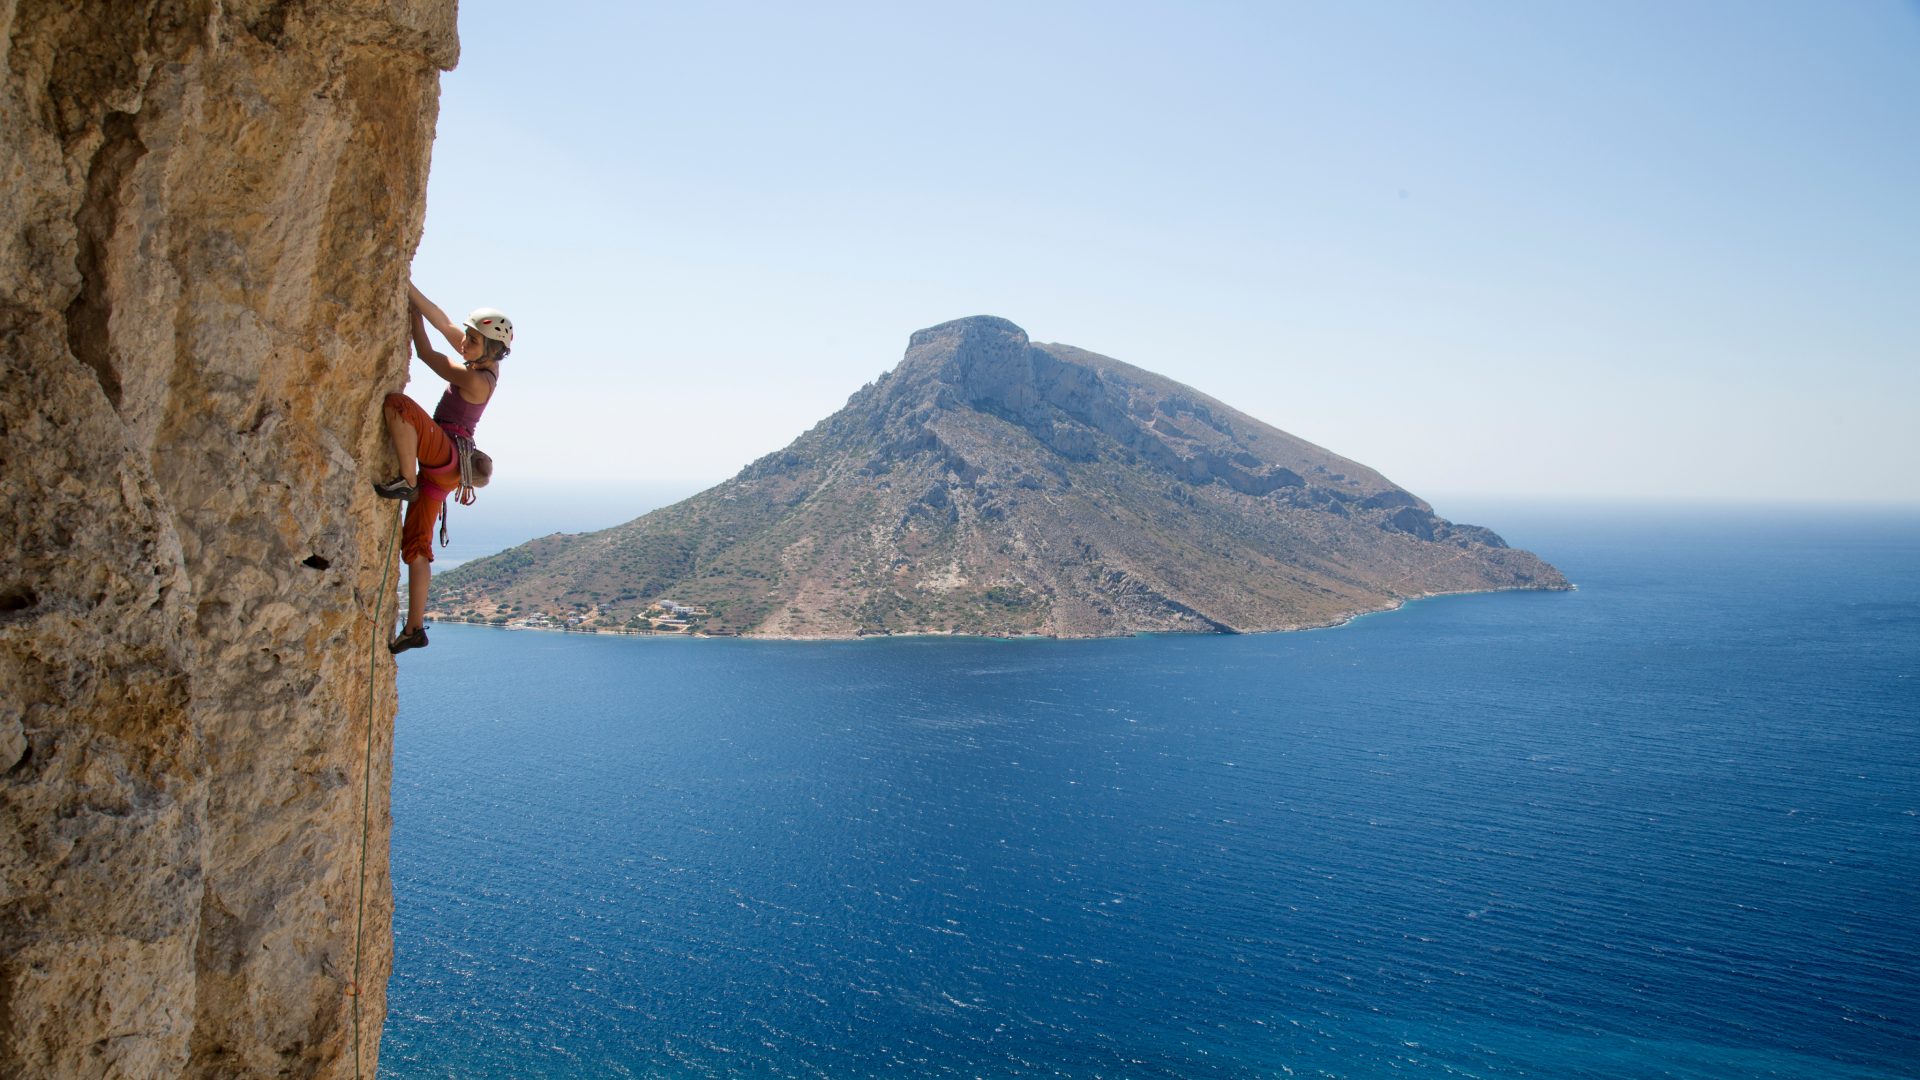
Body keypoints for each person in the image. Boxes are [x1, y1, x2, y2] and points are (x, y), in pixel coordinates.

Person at [374, 281, 513, 654]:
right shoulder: (483, 362)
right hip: (448, 468)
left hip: (445, 454)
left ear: (491, 348)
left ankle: (406, 480)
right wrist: (405, 287)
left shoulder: (474, 378)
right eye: (467, 336)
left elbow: (425, 353)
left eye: (472, 339)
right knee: (417, 548)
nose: (465, 342)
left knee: (399, 406)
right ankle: (415, 628)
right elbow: (443, 320)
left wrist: (413, 318)